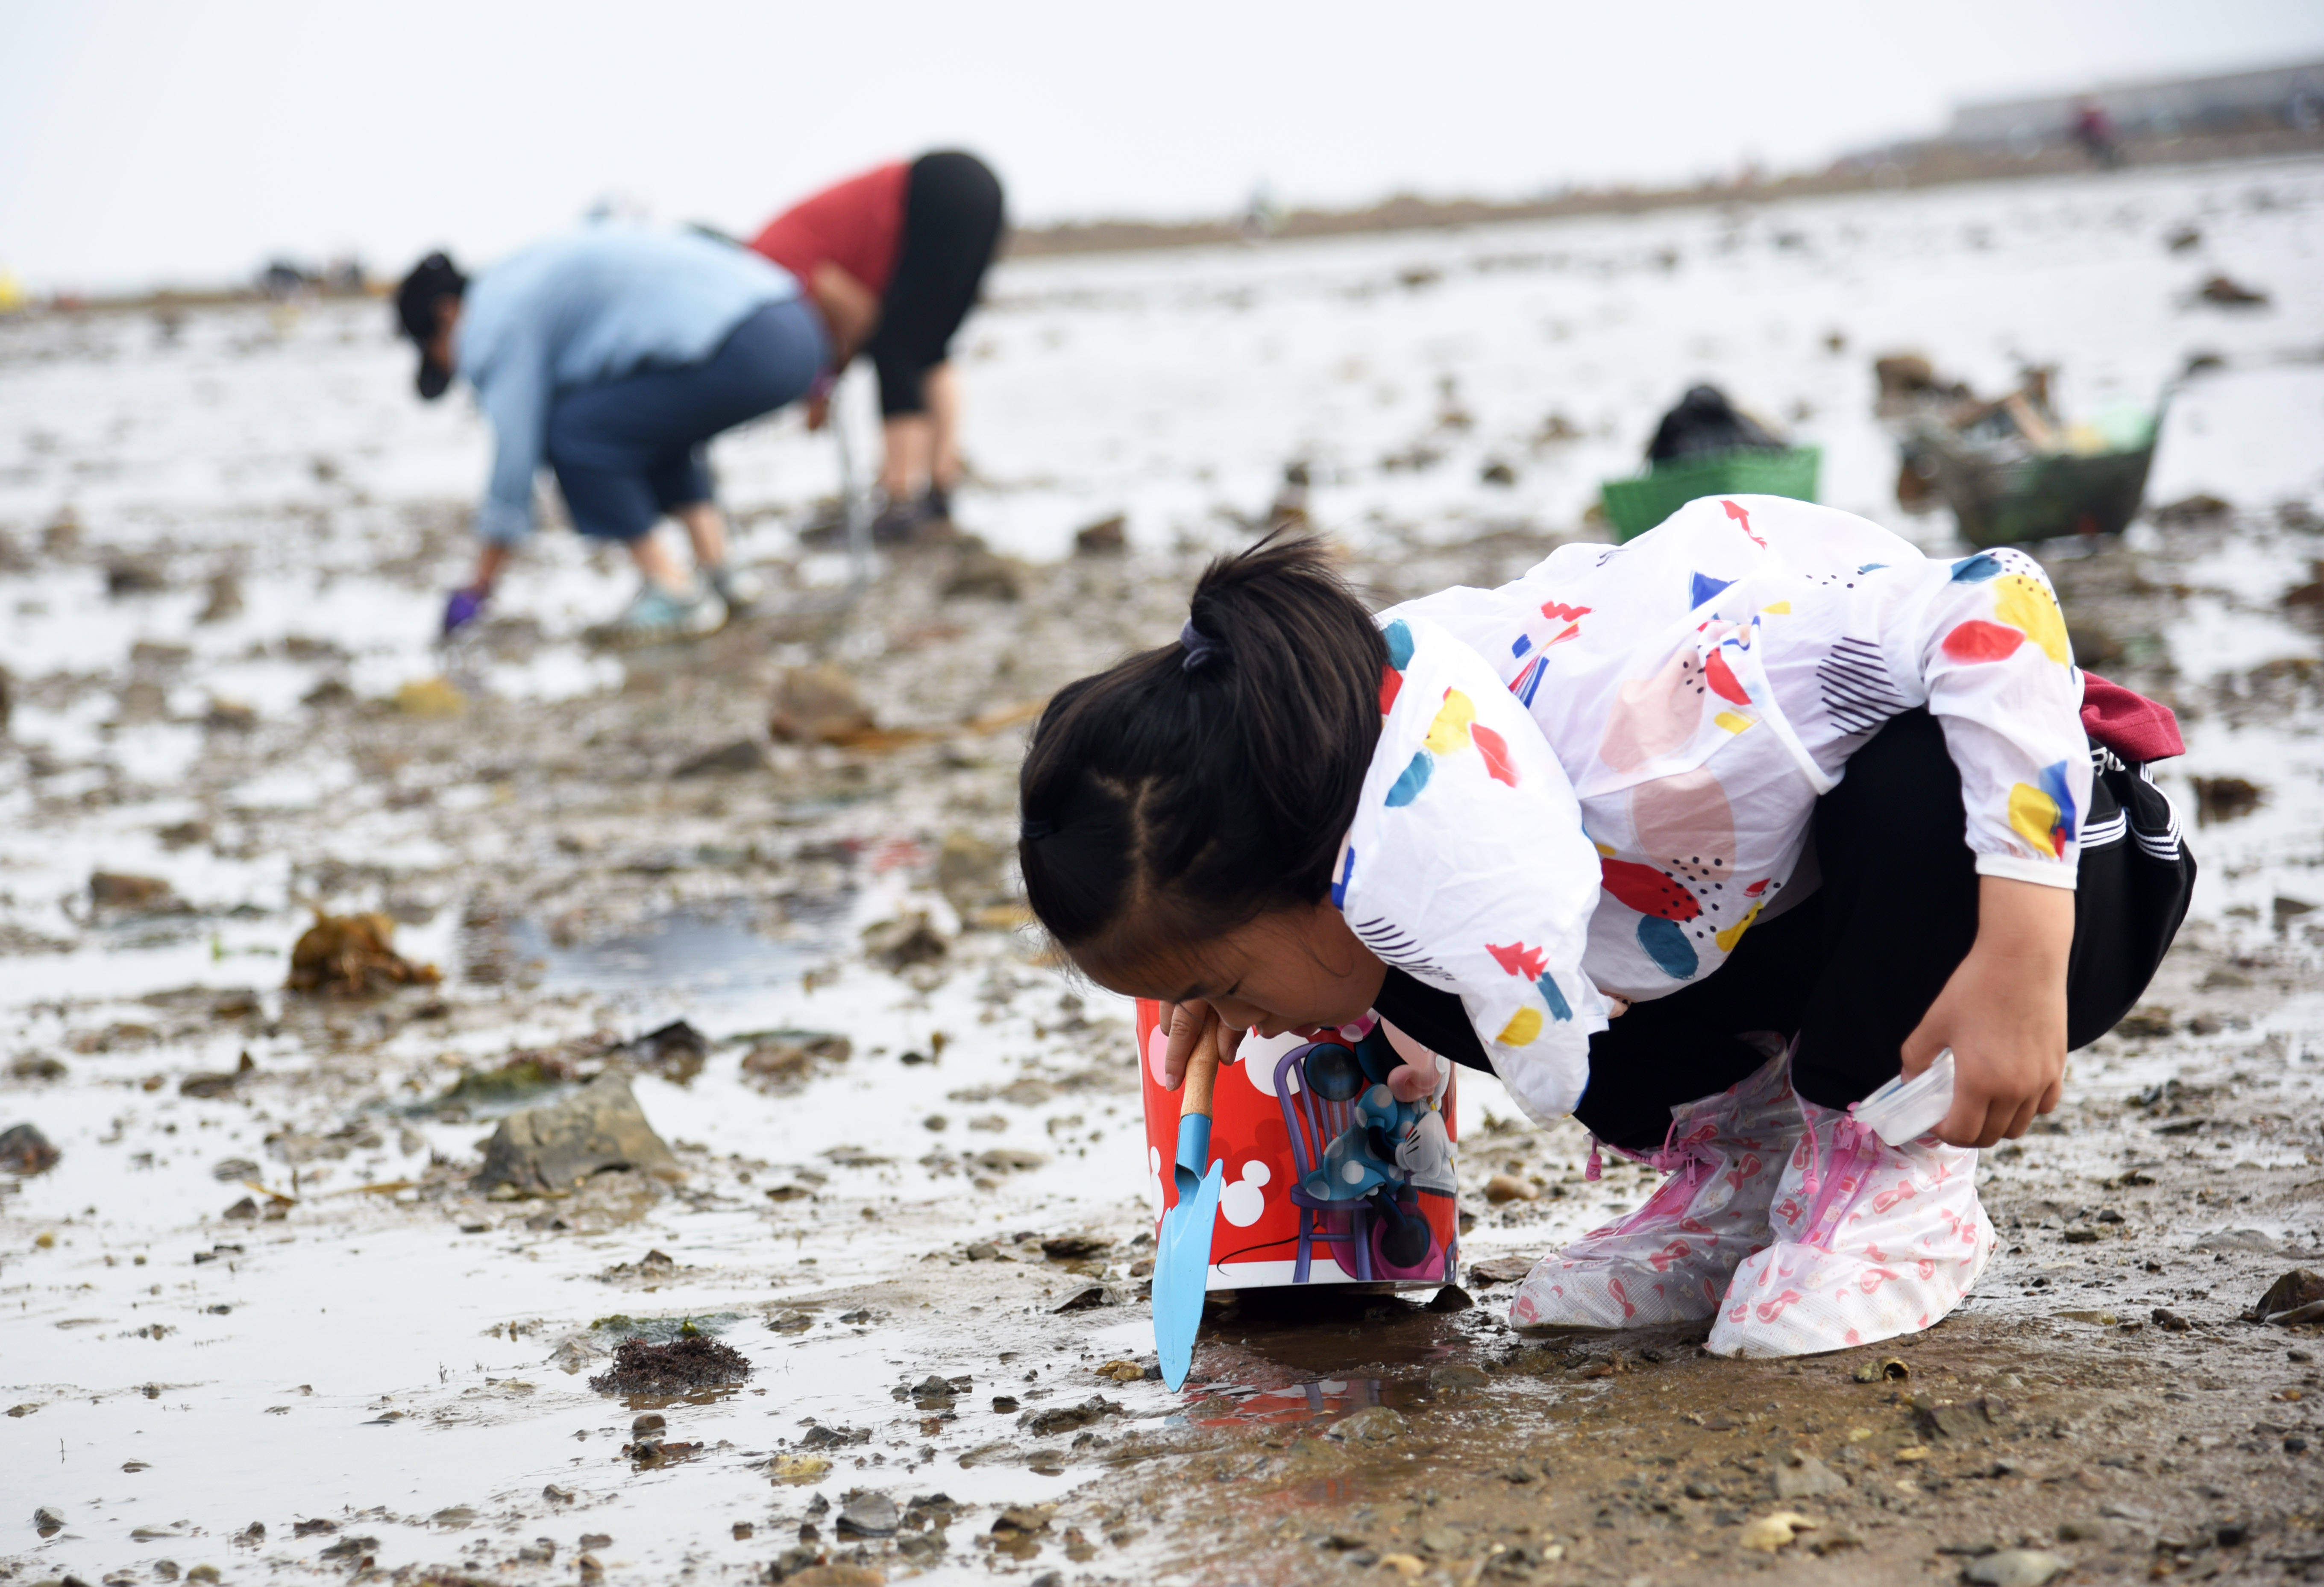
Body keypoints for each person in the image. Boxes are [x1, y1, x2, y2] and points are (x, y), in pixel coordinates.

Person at [1014, 509, 2191, 1357]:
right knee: (1405, 986)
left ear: (1323, 870)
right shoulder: (1338, 753)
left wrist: (2026, 944)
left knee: (1911, 778)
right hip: (1756, 904)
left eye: (1221, 981)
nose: (1236, 1018)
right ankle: (1742, 1169)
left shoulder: (1667, 716)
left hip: (2052, 855)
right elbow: (1364, 949)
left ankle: (1892, 1177)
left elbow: (2002, 597)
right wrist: (1328, 1012)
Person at [395, 226, 824, 644]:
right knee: (641, 420)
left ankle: (674, 591)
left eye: (434, 353)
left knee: (570, 429)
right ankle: (721, 573)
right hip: (795, 322)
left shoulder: (489, 321)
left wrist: (479, 587)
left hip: (745, 345)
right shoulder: (516, 275)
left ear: (447, 314)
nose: (453, 369)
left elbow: (515, 455)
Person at [748, 152, 1004, 545]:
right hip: (974, 188)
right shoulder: (769, 255)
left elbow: (859, 314)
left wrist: (821, 387)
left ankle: (900, 499)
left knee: (894, 346)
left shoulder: (768, 259)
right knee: (930, 349)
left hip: (936, 190)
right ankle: (939, 490)